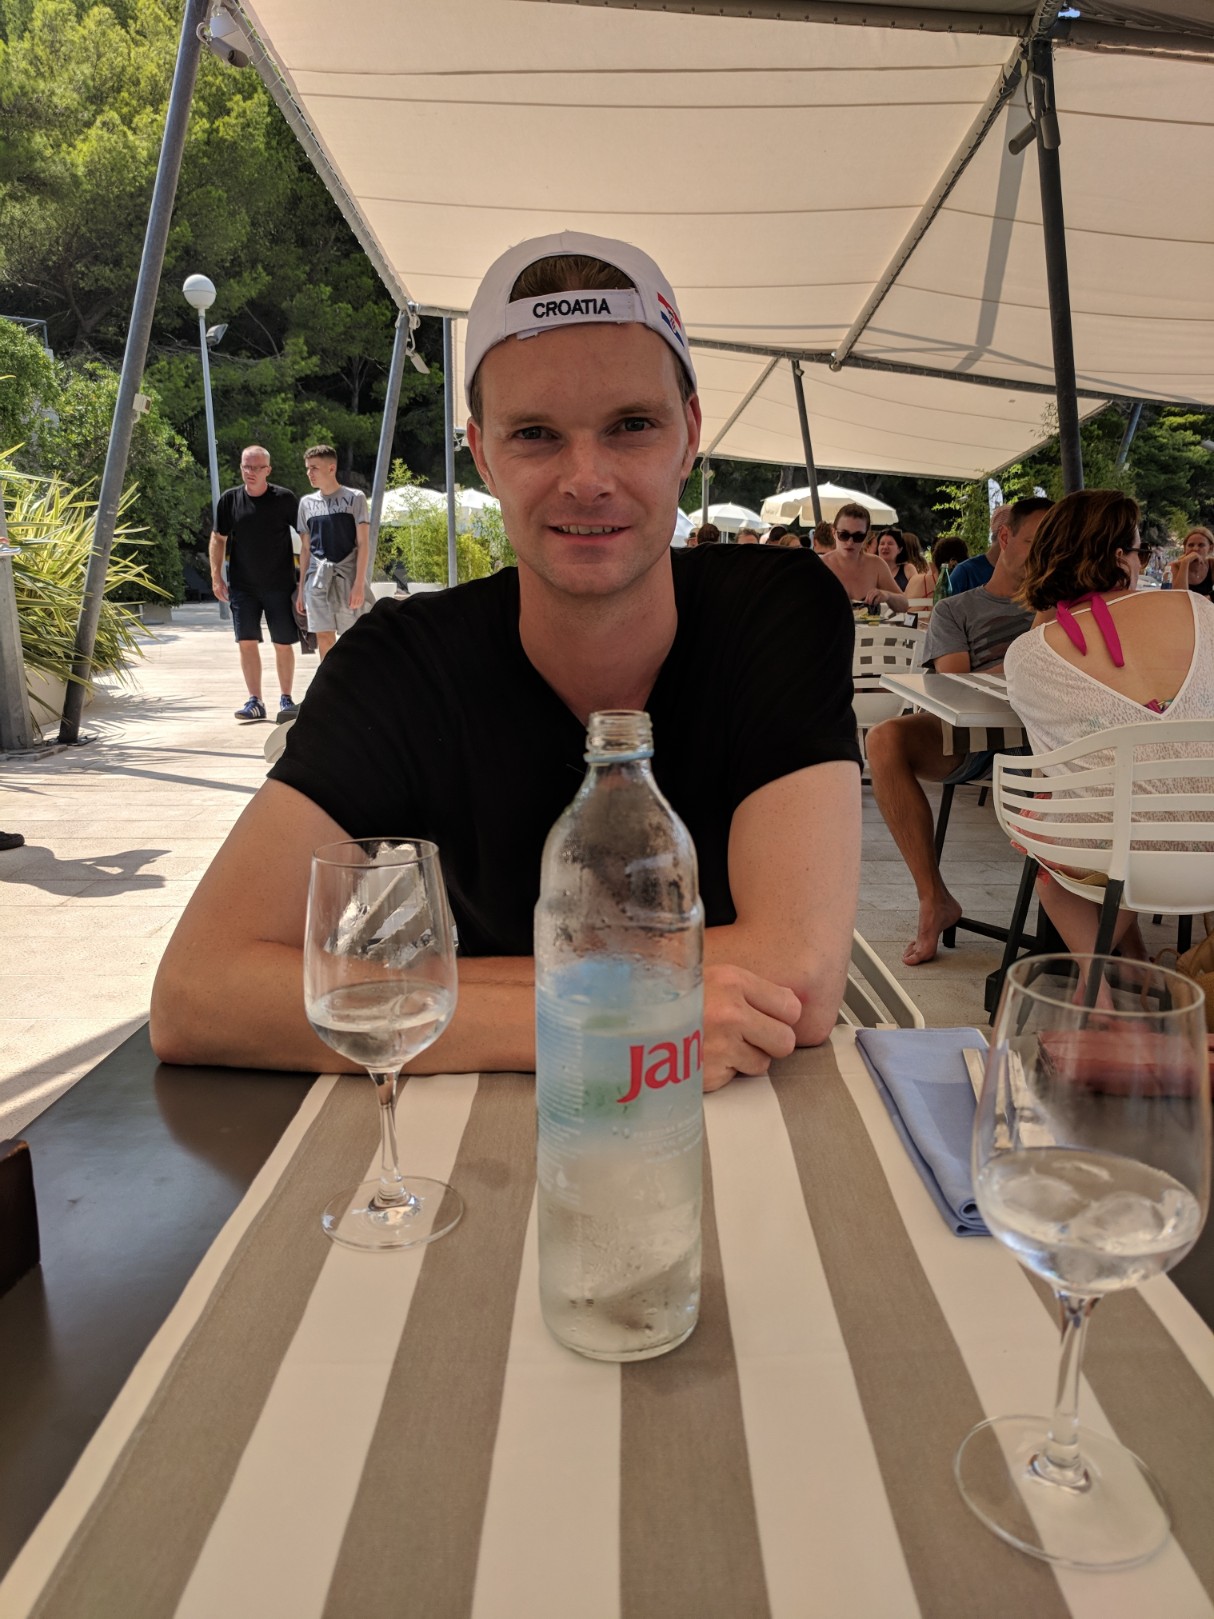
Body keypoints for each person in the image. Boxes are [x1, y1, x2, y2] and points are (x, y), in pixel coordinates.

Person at [151, 230, 862, 1091]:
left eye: (632, 425)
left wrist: (427, 998)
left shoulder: (777, 609)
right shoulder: (401, 665)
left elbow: (798, 974)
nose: (586, 477)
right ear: (483, 453)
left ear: (690, 435)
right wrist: (609, 1020)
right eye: (535, 434)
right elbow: (197, 990)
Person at [1005, 490, 1214, 956]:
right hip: (1208, 844)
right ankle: (1132, 964)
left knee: (1060, 826)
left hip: (1115, 853)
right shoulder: (1200, 610)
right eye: (1142, 551)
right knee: (1137, 813)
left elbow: (1052, 769)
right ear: (1120, 557)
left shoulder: (1030, 654)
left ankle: (1094, 982)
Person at [866, 496, 1052, 965]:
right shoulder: (957, 609)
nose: (1047, 553)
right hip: (980, 741)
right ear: (1005, 537)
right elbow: (956, 689)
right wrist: (1029, 657)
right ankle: (934, 899)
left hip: (1053, 743)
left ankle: (1110, 936)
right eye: (1037, 542)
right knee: (884, 738)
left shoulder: (1066, 608)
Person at [210, 445, 300, 723]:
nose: (250, 472)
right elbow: (218, 538)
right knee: (246, 641)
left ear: (268, 470)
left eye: (256, 467)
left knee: (282, 643)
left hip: (280, 584)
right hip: (242, 586)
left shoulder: (284, 499)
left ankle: (286, 699)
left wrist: (305, 580)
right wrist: (216, 576)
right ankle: (255, 701)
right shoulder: (230, 500)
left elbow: (306, 536)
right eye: (246, 467)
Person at [297, 446, 371, 660]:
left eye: (314, 468)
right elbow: (305, 549)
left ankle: (354, 679)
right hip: (317, 580)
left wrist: (359, 584)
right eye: (307, 468)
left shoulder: (355, 498)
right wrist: (301, 590)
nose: (309, 473)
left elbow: (363, 543)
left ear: (331, 468)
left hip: (347, 578)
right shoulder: (306, 504)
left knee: (353, 638)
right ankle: (330, 680)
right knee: (324, 637)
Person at [820, 502, 907, 611]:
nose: (850, 542)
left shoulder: (876, 565)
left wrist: (888, 595)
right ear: (834, 533)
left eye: (858, 536)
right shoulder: (820, 565)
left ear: (866, 536)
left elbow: (904, 604)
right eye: (844, 535)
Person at [946, 503, 1010, 596]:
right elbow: (944, 604)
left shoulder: (1023, 573)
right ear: (1004, 536)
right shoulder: (965, 572)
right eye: (1026, 539)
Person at [1169, 526, 1214, 599]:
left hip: (1205, 606)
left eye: (1201, 545)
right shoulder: (1174, 566)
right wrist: (1185, 563)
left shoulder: (1211, 564)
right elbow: (1179, 598)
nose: (1195, 549)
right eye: (1191, 545)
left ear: (1210, 548)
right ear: (1185, 548)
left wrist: (1208, 598)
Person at [874, 527, 913, 592]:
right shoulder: (871, 570)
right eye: (882, 544)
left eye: (890, 544)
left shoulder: (908, 569)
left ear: (899, 549)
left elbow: (916, 593)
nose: (885, 547)